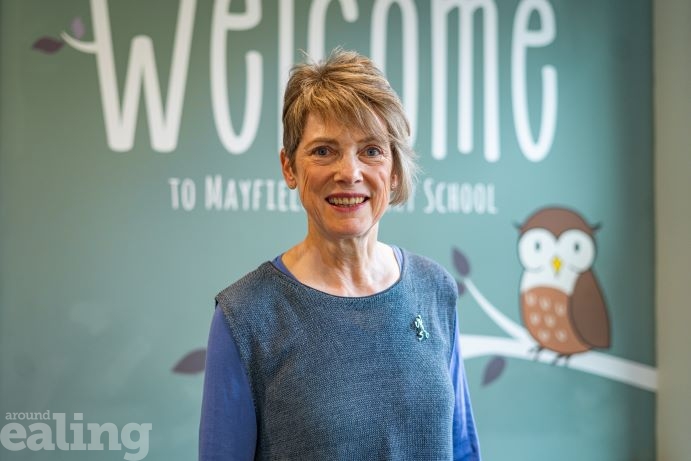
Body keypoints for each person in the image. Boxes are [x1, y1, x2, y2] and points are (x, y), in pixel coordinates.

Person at [199, 48, 481, 460]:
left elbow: (461, 451)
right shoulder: (245, 318)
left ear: (395, 169)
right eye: (324, 150)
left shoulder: (434, 289)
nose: (349, 173)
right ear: (289, 167)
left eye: (371, 150)